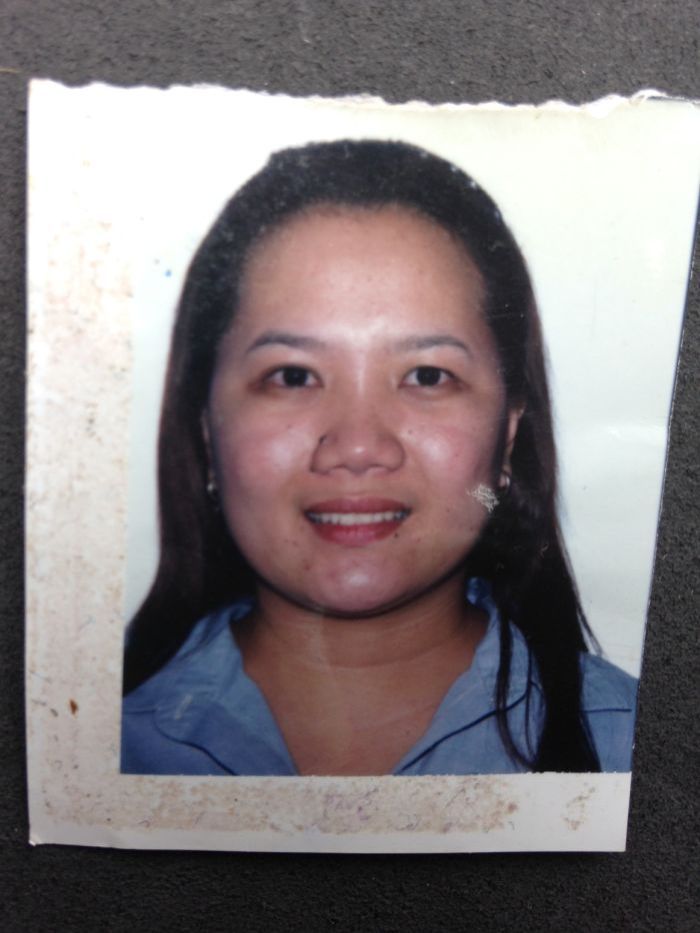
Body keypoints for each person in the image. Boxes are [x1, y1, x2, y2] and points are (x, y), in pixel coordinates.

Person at [121, 139, 637, 777]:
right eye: (291, 376)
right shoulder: (91, 738)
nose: (359, 447)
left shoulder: (637, 758)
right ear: (205, 433)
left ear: (506, 438)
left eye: (426, 375)